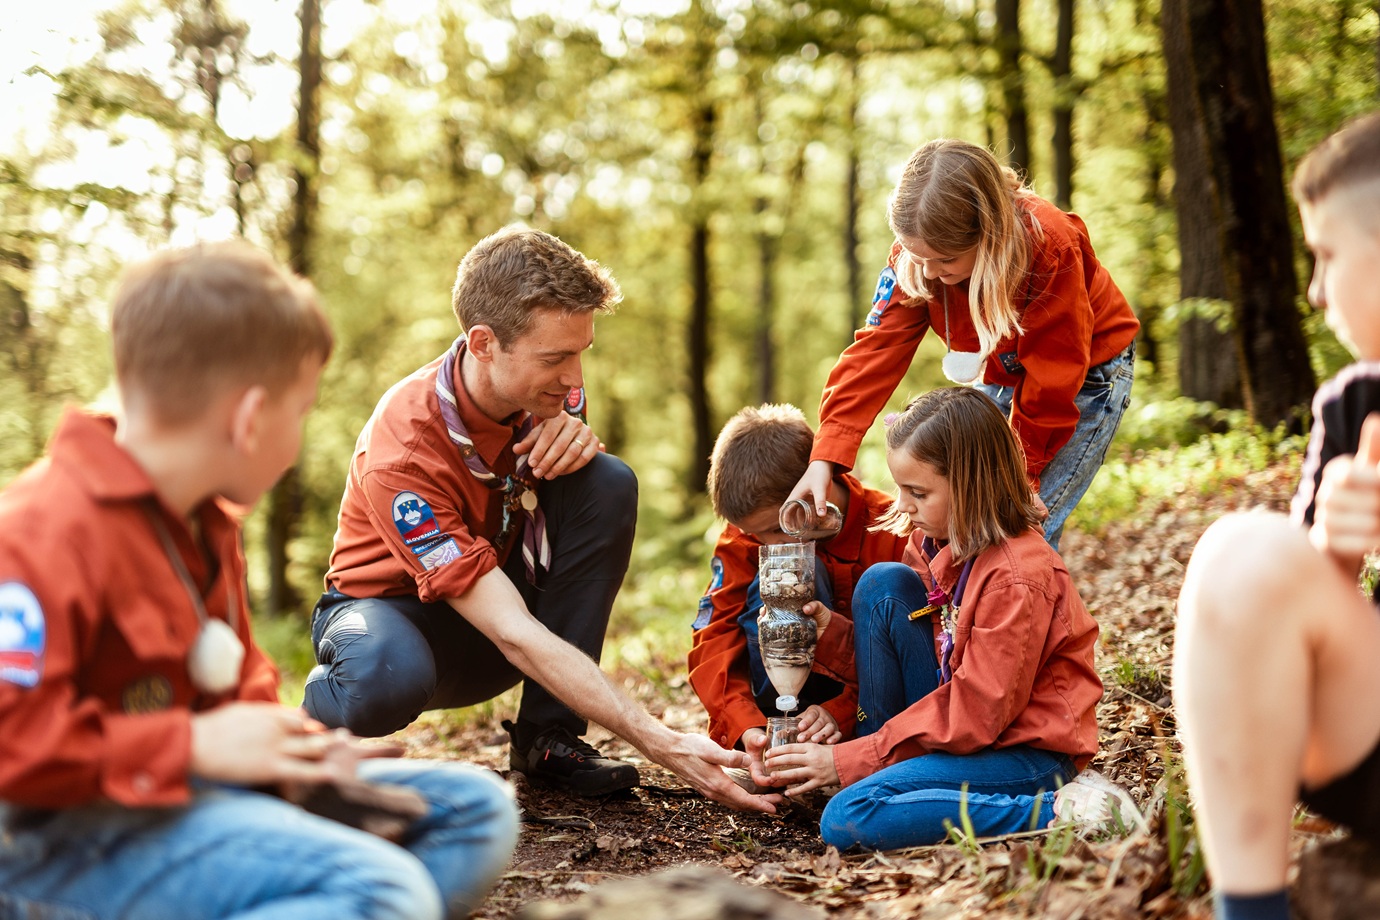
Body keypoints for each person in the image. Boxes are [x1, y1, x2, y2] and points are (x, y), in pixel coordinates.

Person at [0, 242, 520, 920]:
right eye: (299, 411)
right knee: (382, 889)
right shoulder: (41, 530)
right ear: (248, 420)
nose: (299, 434)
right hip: (49, 840)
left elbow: (237, 693)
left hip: (187, 796)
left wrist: (298, 755)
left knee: (470, 813)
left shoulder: (205, 525)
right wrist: (191, 748)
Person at [303, 226, 776, 811]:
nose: (575, 380)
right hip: (393, 623)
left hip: (494, 608)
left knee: (605, 482)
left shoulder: (550, 393)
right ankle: (306, 732)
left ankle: (547, 740)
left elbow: (547, 540)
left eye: (581, 353)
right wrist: (660, 741)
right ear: (483, 344)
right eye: (555, 358)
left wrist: (577, 446)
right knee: (382, 676)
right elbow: (512, 631)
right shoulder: (402, 454)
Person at [764, 387, 1142, 850]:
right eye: (901, 488)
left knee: (847, 816)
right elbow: (929, 654)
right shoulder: (937, 543)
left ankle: (1064, 810)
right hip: (968, 728)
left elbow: (978, 712)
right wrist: (830, 635)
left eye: (917, 492)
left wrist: (848, 760)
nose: (901, 505)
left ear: (970, 485)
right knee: (883, 584)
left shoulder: (1017, 578)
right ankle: (880, 778)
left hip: (1024, 753)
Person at [1174, 112, 1380, 920]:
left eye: (1327, 255)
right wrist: (1335, 552)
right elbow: (1283, 632)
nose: (1315, 290)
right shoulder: (1354, 405)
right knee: (1245, 555)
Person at [791, 139, 1140, 549]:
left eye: (945, 261)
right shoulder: (917, 255)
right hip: (1001, 369)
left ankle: (1022, 608)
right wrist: (825, 458)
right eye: (917, 257)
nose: (930, 273)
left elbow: (1053, 374)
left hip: (1081, 378)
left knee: (1011, 528)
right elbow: (875, 351)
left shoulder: (1050, 245)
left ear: (987, 234)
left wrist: (1019, 474)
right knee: (954, 516)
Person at [689, 404, 907, 785]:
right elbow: (714, 636)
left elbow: (913, 653)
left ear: (812, 488)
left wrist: (839, 712)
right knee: (775, 578)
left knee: (805, 572)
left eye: (776, 528)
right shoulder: (748, 538)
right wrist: (745, 728)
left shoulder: (895, 528)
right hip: (772, 702)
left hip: (865, 708)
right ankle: (776, 745)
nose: (766, 543)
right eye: (755, 534)